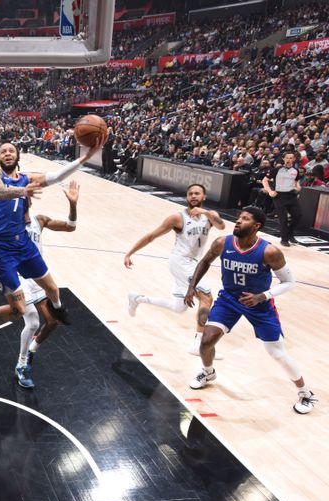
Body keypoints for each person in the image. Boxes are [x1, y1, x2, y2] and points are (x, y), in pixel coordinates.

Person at [0, 137, 103, 351]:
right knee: (18, 310)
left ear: (18, 156)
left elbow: (57, 176)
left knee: (52, 288)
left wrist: (84, 158)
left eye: (11, 150)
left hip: (23, 244)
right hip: (1, 248)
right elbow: (1, 192)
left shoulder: (27, 178)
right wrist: (24, 191)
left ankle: (58, 309)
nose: (7, 153)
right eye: (3, 151)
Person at [184, 206, 316, 414]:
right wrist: (192, 287)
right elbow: (205, 261)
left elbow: (289, 282)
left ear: (256, 226)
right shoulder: (222, 243)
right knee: (206, 341)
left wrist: (263, 296)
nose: (238, 221)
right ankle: (208, 373)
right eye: (238, 218)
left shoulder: (269, 251)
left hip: (260, 304)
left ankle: (305, 393)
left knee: (277, 354)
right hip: (229, 299)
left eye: (244, 219)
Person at [125, 183, 225, 356]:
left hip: (194, 262)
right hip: (180, 262)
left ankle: (138, 298)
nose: (193, 196)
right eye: (190, 194)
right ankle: (199, 343)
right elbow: (151, 236)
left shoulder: (210, 216)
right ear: (187, 197)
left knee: (179, 307)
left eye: (197, 193)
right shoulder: (177, 218)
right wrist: (130, 252)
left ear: (204, 197)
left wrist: (205, 213)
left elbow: (221, 226)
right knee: (206, 297)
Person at [10, 180, 80, 388]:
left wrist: (73, 204)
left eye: (25, 197)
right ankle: (21, 365)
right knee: (32, 323)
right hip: (20, 278)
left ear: (30, 201)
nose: (23, 200)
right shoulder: (9, 224)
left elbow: (71, 227)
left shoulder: (39, 220)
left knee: (52, 323)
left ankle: (31, 350)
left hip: (38, 277)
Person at [263, 152, 301, 247]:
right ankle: (284, 239)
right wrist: (270, 191)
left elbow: (296, 182)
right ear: (284, 159)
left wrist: (298, 187)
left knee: (298, 215)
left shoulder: (295, 170)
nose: (289, 159)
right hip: (279, 196)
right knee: (283, 218)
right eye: (287, 157)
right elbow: (264, 180)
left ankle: (290, 234)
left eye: (291, 158)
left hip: (291, 196)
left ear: (294, 159)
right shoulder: (277, 169)